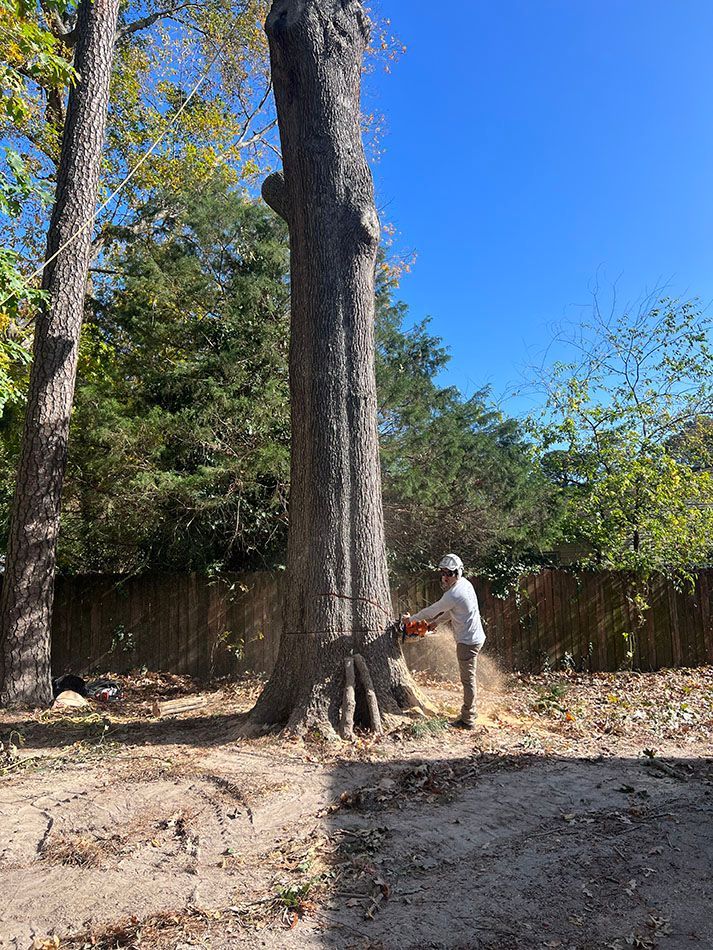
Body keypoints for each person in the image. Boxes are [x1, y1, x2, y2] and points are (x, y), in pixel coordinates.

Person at [403, 554, 486, 729]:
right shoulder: (465, 586)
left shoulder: (454, 593)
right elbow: (452, 612)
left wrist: (411, 620)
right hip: (474, 637)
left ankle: (468, 718)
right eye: (443, 573)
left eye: (449, 573)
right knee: (468, 678)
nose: (445, 577)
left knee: (468, 680)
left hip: (467, 642)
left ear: (458, 573)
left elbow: (433, 609)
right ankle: (470, 711)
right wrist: (436, 623)